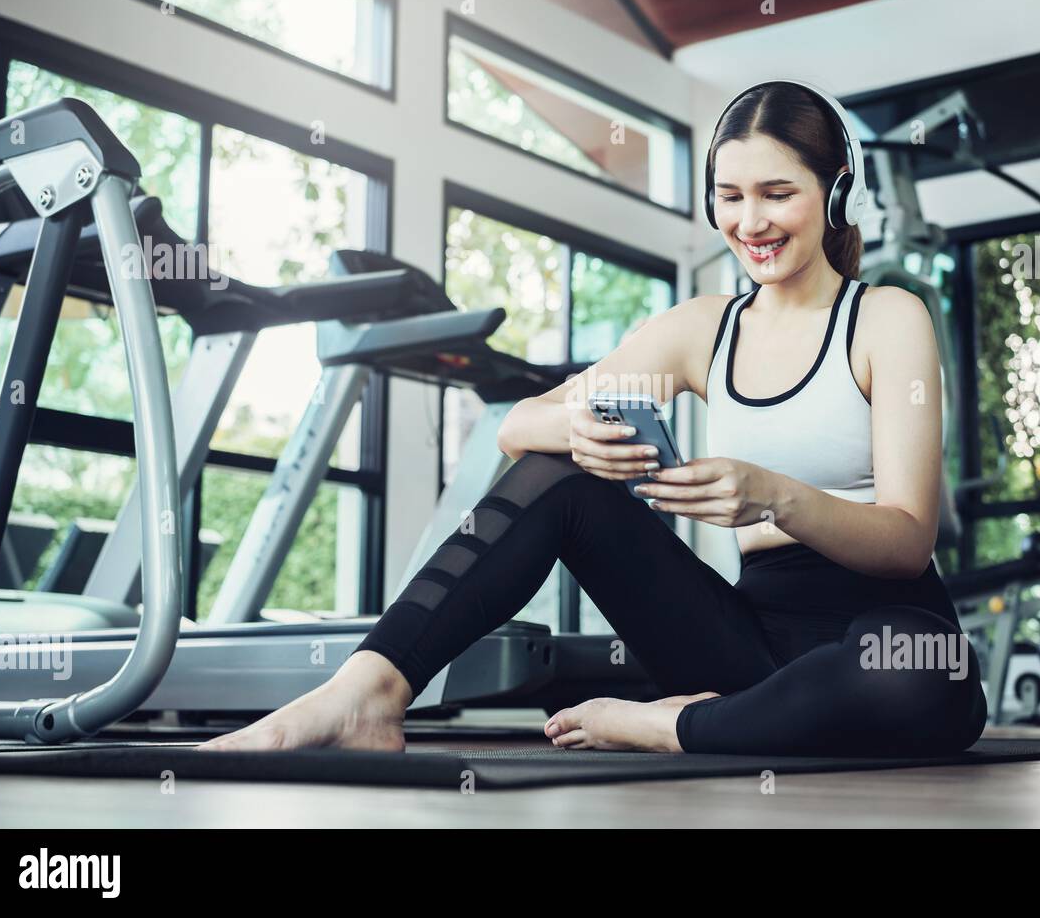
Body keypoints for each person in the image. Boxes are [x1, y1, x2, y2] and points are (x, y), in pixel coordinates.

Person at [200, 80, 987, 757]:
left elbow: (907, 539)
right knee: (558, 476)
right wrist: (576, 432)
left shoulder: (886, 319)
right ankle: (370, 690)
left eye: (778, 193)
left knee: (919, 675)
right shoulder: (701, 330)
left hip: (880, 636)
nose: (752, 222)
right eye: (730, 196)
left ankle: (667, 728)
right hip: (746, 646)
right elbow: (518, 429)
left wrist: (776, 497)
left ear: (835, 191)